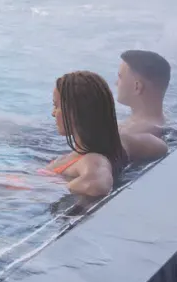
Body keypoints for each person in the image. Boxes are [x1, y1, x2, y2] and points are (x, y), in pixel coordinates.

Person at [44, 70, 127, 199]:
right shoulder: (84, 154)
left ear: (75, 111)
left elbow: (96, 185)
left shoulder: (92, 159)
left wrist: (46, 187)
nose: (53, 113)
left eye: (56, 106)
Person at [116, 49, 171, 163]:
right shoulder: (161, 121)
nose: (116, 83)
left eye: (120, 77)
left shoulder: (134, 132)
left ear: (137, 87)